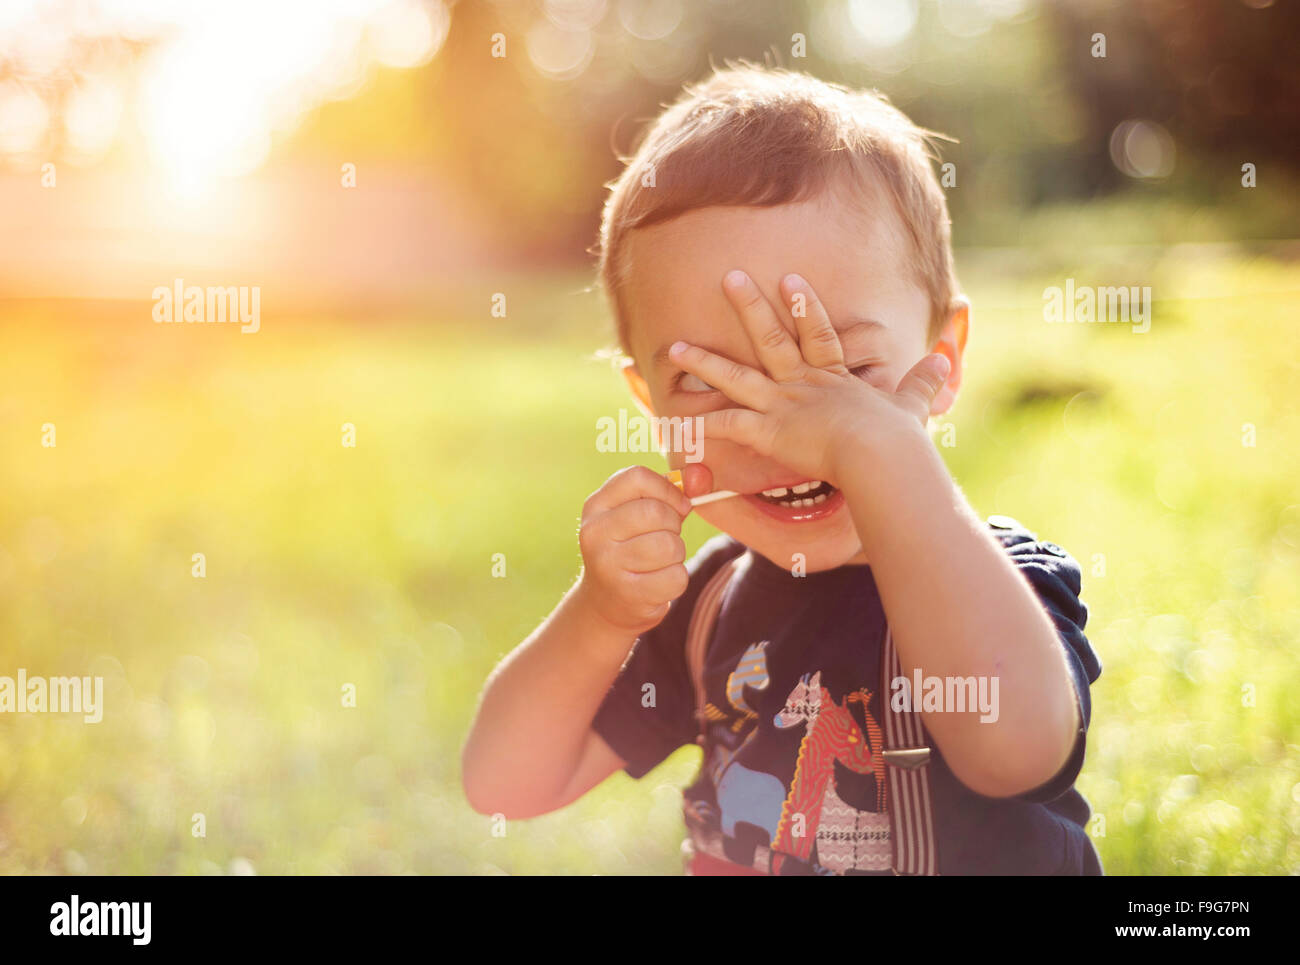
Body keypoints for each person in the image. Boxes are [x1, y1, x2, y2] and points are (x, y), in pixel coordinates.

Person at [461, 64, 1102, 875]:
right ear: (650, 401)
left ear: (942, 358)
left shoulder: (996, 582)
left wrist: (885, 459)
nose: (783, 434)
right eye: (708, 381)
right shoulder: (702, 610)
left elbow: (1014, 752)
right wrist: (599, 614)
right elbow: (505, 784)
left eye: (840, 373)